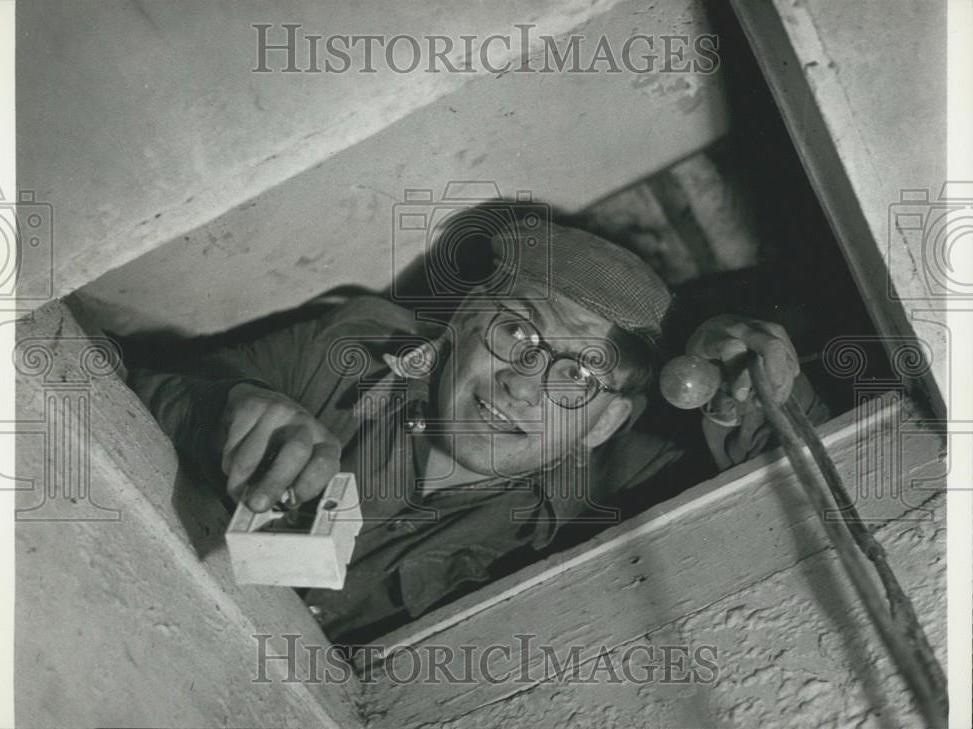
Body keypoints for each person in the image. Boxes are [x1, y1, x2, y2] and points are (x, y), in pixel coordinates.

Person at [127, 221, 826, 641]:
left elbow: (809, 491)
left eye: (579, 376)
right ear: (464, 321)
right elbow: (136, 383)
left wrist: (758, 397)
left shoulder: (599, 493)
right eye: (517, 331)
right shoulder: (349, 347)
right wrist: (223, 407)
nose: (524, 381)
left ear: (606, 421)